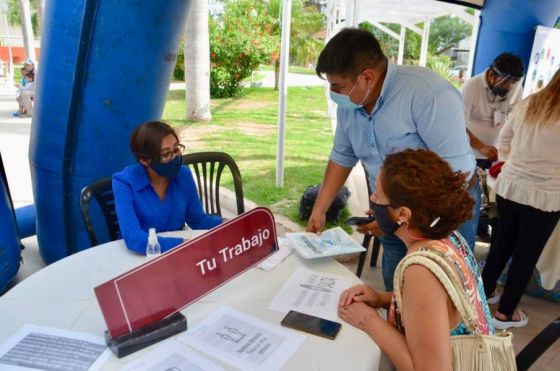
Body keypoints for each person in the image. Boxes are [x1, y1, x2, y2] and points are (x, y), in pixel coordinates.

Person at [306, 28, 479, 291]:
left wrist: (397, 217)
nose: (333, 94)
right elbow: (342, 156)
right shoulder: (350, 106)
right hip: (389, 209)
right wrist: (320, 210)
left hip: (440, 212)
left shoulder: (428, 94)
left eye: (337, 86)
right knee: (397, 283)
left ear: (366, 77)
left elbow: (457, 174)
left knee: (442, 290)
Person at [338, 149, 494, 370]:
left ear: (403, 214)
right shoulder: (449, 237)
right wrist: (381, 299)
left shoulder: (420, 269)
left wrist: (368, 321)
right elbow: (434, 307)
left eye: (378, 196)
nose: (372, 199)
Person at [482, 69, 560, 330]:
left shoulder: (530, 103)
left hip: (510, 187)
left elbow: (505, 139)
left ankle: (483, 294)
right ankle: (505, 313)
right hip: (545, 196)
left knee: (501, 244)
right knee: (526, 254)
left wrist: (515, 164)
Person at [113, 120, 223, 254]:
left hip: (177, 254)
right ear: (144, 160)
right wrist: (183, 244)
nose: (174, 157)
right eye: (165, 154)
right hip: (139, 257)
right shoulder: (124, 182)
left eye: (176, 149)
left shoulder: (183, 174)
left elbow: (198, 220)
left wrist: (228, 224)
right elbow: (134, 238)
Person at [462, 53, 524, 169]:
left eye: (513, 82)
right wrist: (481, 147)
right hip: (469, 152)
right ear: (491, 73)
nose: (510, 87)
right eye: (506, 82)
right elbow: (457, 125)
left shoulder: (515, 88)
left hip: (495, 153)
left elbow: (515, 118)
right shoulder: (471, 87)